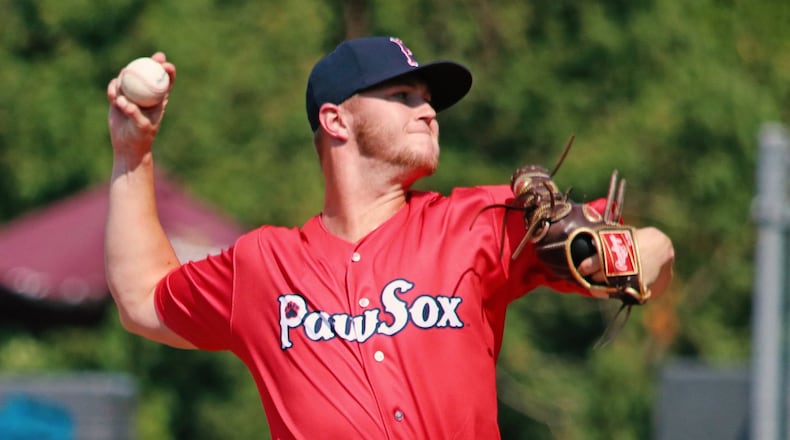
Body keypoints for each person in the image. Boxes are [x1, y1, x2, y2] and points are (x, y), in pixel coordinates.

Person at [105, 36, 674, 439]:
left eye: (428, 99)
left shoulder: (476, 223)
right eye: (404, 96)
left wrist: (626, 255)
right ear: (336, 120)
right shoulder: (265, 265)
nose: (428, 111)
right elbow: (140, 298)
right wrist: (133, 152)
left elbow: (656, 248)